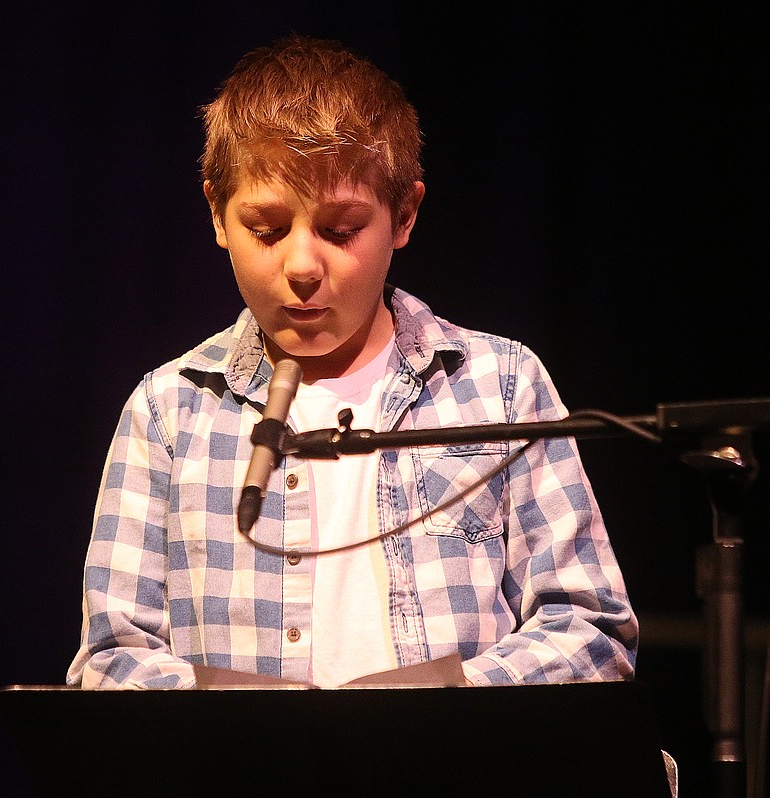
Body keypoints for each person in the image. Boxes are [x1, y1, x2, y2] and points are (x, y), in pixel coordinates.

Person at [66, 34, 638, 690]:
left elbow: (590, 631)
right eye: (267, 230)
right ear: (217, 215)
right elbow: (113, 657)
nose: (302, 267)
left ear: (404, 215)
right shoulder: (169, 411)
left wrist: (439, 705)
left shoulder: (500, 387)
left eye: (340, 231)